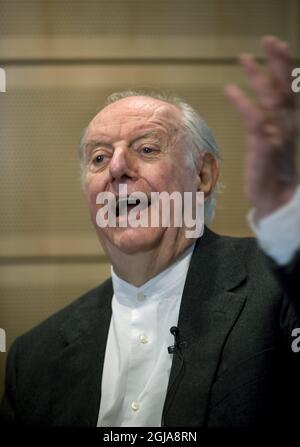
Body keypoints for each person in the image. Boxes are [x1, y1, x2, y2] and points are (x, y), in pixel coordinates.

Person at [1, 36, 299, 427]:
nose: (117, 168)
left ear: (203, 175)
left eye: (146, 149)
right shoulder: (33, 357)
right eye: (99, 157)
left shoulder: (280, 287)